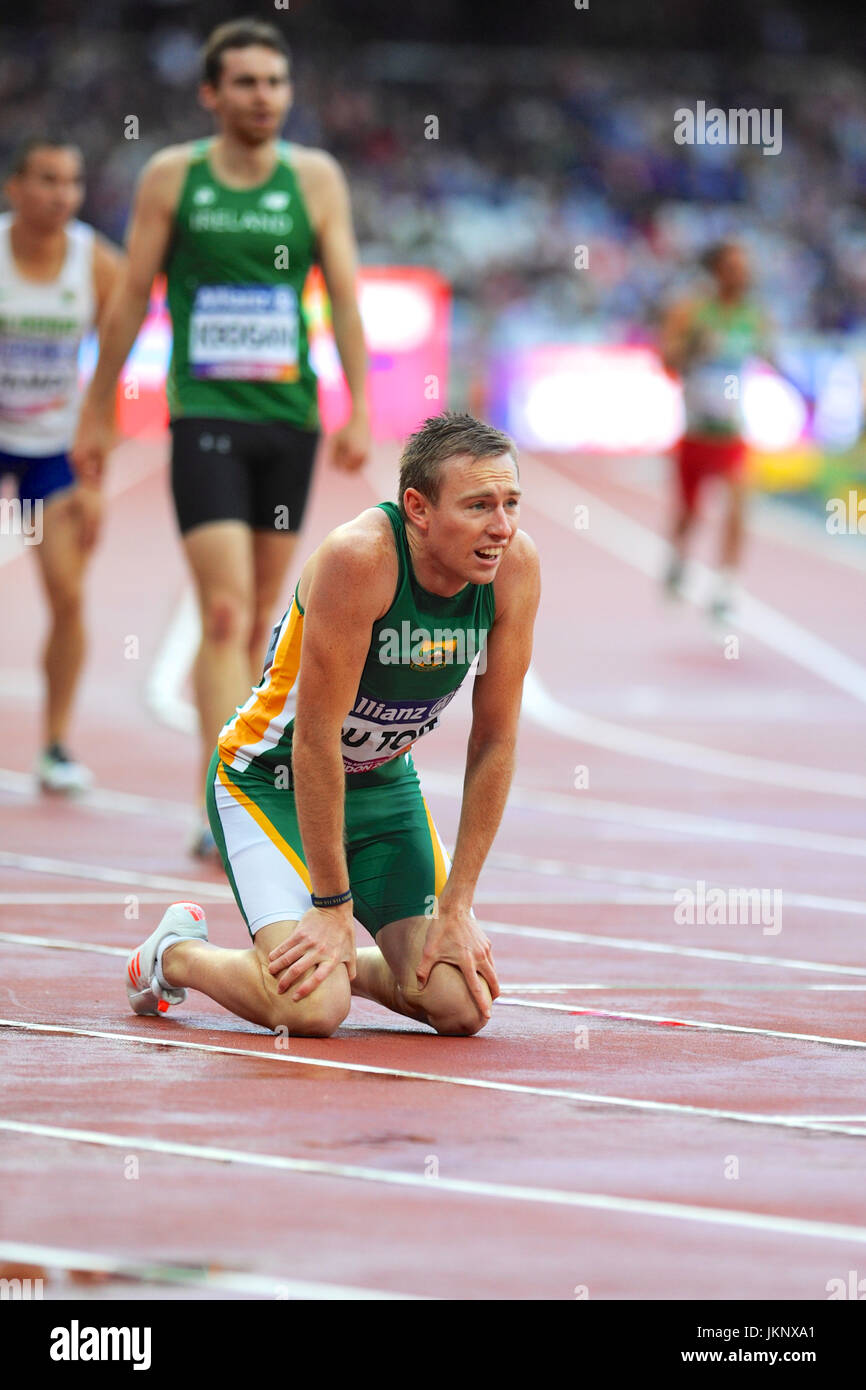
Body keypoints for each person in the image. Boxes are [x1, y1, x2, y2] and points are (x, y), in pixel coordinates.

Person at [124, 412, 540, 1038]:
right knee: (312, 1011)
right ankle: (176, 953)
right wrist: (331, 906)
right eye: (479, 505)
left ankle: (339, 966)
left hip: (380, 786)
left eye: (511, 503)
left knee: (460, 1003)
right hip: (270, 778)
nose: (501, 527)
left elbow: (495, 740)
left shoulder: (514, 568)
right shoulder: (362, 559)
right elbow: (316, 739)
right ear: (417, 509)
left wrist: (457, 905)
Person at [73, 19, 370, 853]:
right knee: (226, 608)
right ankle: (223, 807)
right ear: (211, 93)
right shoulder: (175, 176)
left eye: (275, 83)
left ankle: (240, 780)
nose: (263, 98)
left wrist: (361, 408)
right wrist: (99, 407)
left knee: (263, 620)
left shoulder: (316, 180)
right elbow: (132, 294)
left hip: (290, 424)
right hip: (206, 419)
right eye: (244, 83)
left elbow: (343, 296)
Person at [0, 138, 123, 791]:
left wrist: (97, 468)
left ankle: (54, 744)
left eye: (72, 182)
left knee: (68, 594)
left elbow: (113, 366)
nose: (61, 194)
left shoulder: (96, 262)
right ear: (13, 188)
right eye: (46, 179)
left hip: (52, 447)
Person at [659, 240, 774, 623]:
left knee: (739, 506)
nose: (742, 275)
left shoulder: (754, 315)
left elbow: (770, 353)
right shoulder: (692, 311)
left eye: (746, 268)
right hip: (695, 433)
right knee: (691, 512)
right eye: (734, 268)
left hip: (730, 433)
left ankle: (726, 586)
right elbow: (668, 362)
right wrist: (695, 348)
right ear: (717, 272)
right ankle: (678, 556)